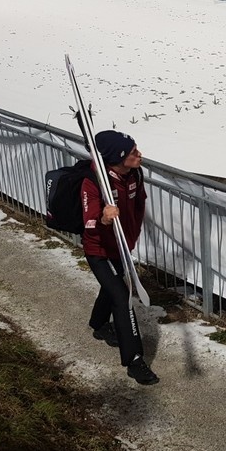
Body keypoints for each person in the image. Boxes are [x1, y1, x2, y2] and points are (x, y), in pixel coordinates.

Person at [82, 130, 159, 386]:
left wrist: (131, 238)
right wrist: (104, 218)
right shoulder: (94, 181)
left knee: (113, 286)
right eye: (134, 152)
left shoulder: (135, 173)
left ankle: (98, 323)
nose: (140, 155)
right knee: (122, 297)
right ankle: (135, 360)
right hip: (99, 250)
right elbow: (89, 223)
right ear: (118, 157)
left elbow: (138, 206)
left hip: (122, 246)